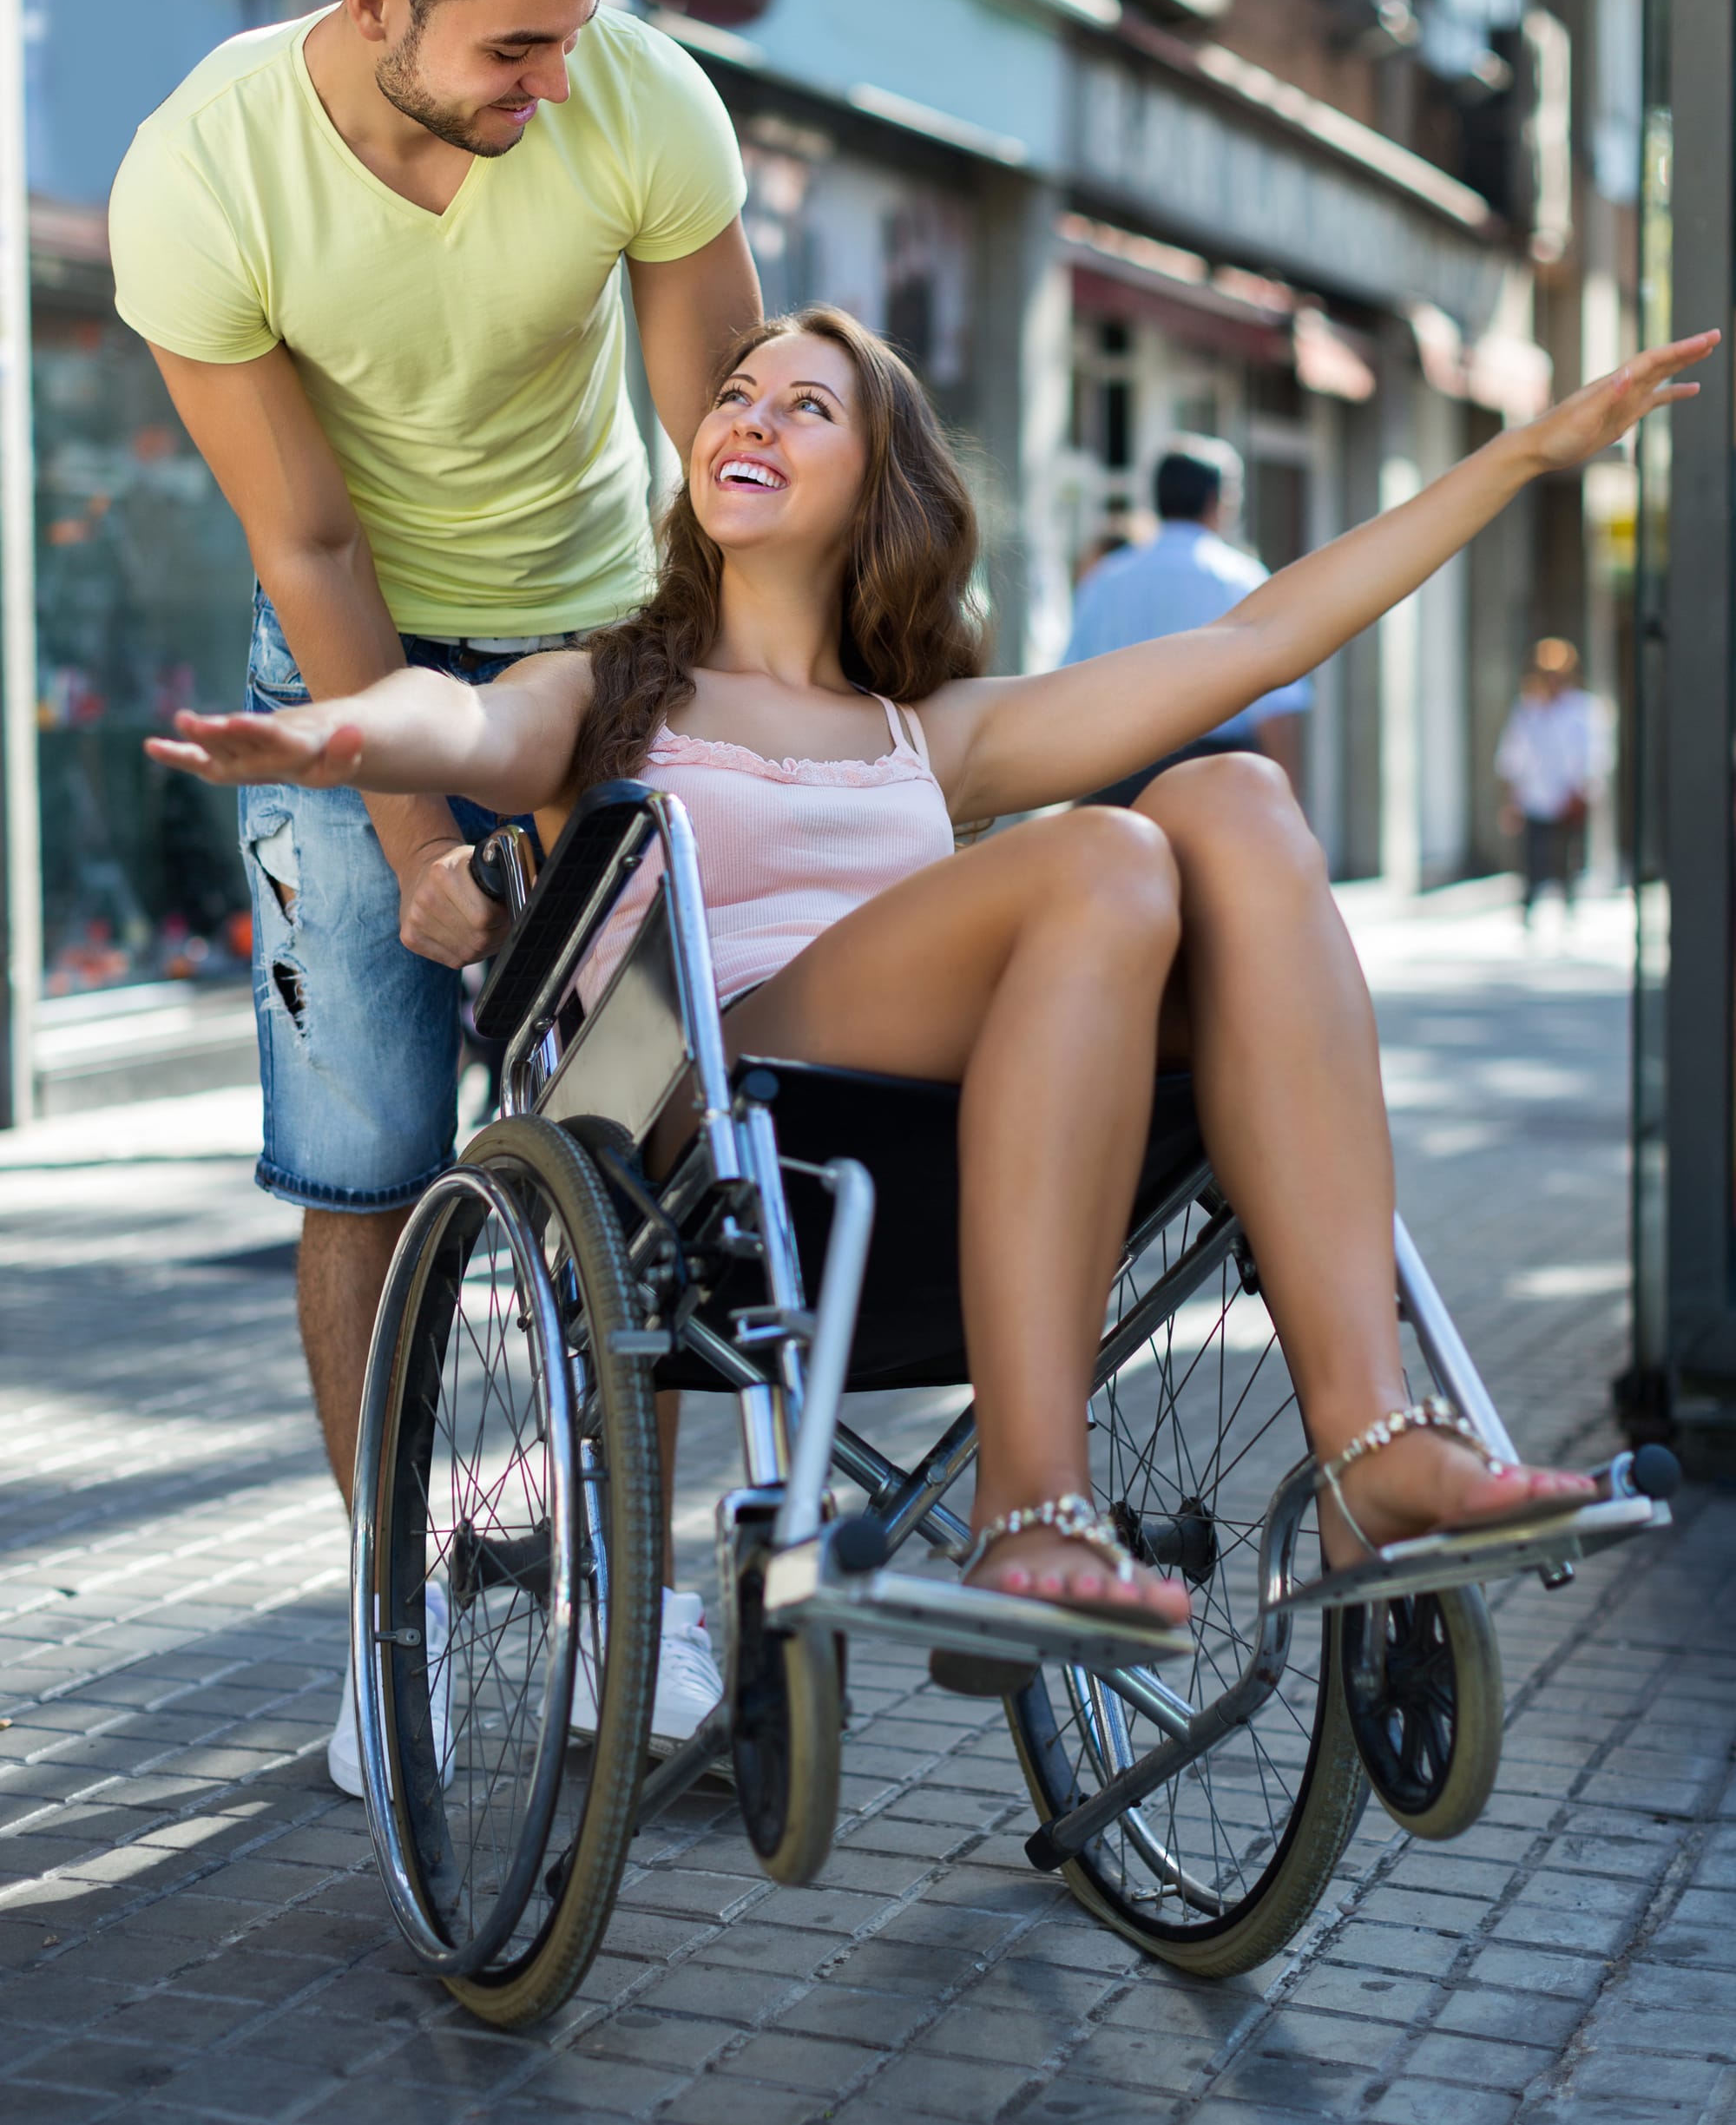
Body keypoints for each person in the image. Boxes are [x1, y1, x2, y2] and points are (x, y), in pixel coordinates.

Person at [147, 307, 1716, 1683]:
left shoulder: (933, 734)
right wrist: (346, 737)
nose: (748, 416)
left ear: (875, 486)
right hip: (722, 1116)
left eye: (802, 404)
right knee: (1106, 857)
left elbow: (1257, 635)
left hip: (983, 1138)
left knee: (1235, 799)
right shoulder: (615, 686)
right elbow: (469, 728)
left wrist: (1523, 457)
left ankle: (1374, 1440)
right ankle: (1030, 1504)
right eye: (735, 395)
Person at [108, 0, 763, 1784]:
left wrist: (763, 717)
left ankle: (619, 1605)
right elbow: (307, 552)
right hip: (332, 676)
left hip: (589, 661)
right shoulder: (202, 174)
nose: (558, 82)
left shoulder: (638, 100)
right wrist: (406, 837)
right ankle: (395, 1616)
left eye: (576, 34)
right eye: (513, 45)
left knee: (634, 1133)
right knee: (363, 1157)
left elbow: (732, 468)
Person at [1064, 439, 1312, 803]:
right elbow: (1274, 706)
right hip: (1212, 785)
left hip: (1115, 779)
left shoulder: (1107, 578)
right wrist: (1288, 798)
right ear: (1218, 501)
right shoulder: (1239, 579)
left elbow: (1070, 687)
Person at [1496, 638, 1610, 921]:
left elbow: (1595, 754)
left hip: (1568, 798)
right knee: (1533, 859)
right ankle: (1529, 912)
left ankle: (1569, 909)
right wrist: (1512, 800)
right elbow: (1513, 756)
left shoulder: (1584, 709)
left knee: (1567, 859)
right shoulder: (1529, 709)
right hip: (1536, 797)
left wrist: (1585, 790)